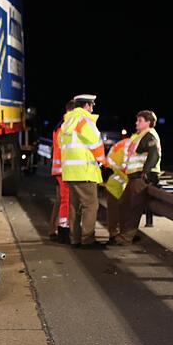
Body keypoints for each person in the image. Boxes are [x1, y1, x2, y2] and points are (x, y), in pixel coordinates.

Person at [57, 94, 106, 248]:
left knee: (74, 207)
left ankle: (75, 239)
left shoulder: (66, 123)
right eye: (92, 105)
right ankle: (87, 239)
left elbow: (61, 144)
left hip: (71, 173)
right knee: (90, 206)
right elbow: (96, 143)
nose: (92, 109)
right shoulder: (85, 121)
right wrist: (103, 161)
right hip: (85, 172)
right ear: (86, 106)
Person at [114, 110, 162, 245]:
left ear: (149, 122)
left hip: (140, 178)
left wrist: (145, 173)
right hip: (133, 178)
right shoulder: (141, 136)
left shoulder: (150, 135)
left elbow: (154, 155)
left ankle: (126, 237)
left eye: (140, 120)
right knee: (123, 204)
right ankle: (123, 234)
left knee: (133, 208)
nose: (136, 123)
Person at [49, 100, 74, 243]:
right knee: (65, 201)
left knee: (60, 201)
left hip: (58, 169)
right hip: (64, 169)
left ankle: (54, 230)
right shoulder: (66, 126)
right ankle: (62, 231)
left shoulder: (60, 125)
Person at [102, 134, 133, 243]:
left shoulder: (125, 142)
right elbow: (126, 166)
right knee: (116, 210)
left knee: (114, 209)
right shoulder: (131, 145)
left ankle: (115, 233)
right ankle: (114, 235)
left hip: (112, 177)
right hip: (116, 179)